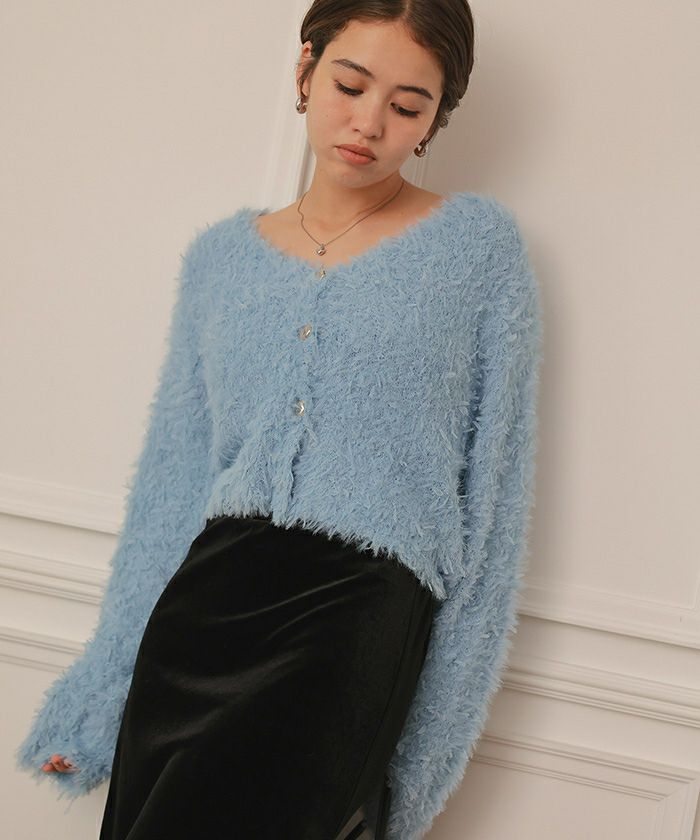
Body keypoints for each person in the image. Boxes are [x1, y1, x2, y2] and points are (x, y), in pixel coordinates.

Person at [15, 2, 544, 839]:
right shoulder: (220, 260)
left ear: (434, 119)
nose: (368, 123)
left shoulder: (477, 253)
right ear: (305, 69)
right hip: (200, 622)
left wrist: (421, 763)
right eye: (349, 85)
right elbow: (170, 488)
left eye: (407, 106)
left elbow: (495, 505)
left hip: (353, 631)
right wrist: (99, 695)